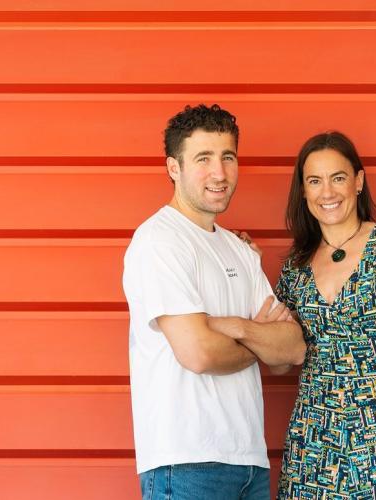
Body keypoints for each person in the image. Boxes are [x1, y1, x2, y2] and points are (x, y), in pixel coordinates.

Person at [122, 104, 307, 500]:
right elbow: (199, 353)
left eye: (228, 157)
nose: (219, 173)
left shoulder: (239, 250)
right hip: (185, 462)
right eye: (203, 159)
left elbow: (291, 351)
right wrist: (260, 339)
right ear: (174, 168)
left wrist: (233, 326)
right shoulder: (160, 241)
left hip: (249, 462)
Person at [274, 131, 376, 499]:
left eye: (338, 178)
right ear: (303, 191)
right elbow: (280, 361)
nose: (327, 192)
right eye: (315, 181)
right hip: (311, 439)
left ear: (358, 182)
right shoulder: (295, 268)